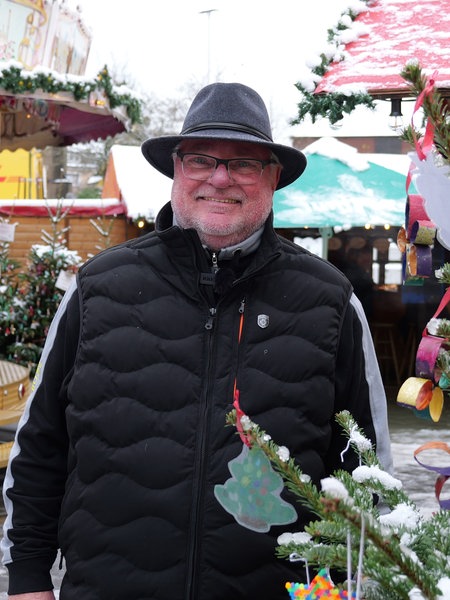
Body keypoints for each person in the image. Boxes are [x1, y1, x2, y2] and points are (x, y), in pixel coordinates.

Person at [2, 82, 392, 600]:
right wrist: (27, 578)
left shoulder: (331, 303)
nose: (220, 178)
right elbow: (40, 448)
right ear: (175, 171)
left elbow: (368, 472)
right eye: (201, 159)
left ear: (273, 177)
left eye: (245, 163)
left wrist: (361, 584)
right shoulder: (98, 289)